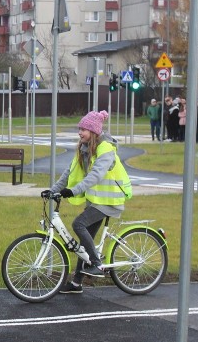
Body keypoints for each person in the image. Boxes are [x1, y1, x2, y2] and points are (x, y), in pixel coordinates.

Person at [43, 110, 132, 294]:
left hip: (109, 200)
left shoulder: (106, 149)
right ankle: (76, 284)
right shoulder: (84, 149)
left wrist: (73, 191)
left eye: (83, 129)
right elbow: (69, 173)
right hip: (97, 201)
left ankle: (97, 265)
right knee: (84, 243)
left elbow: (95, 176)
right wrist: (53, 190)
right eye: (79, 128)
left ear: (93, 131)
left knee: (78, 224)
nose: (80, 132)